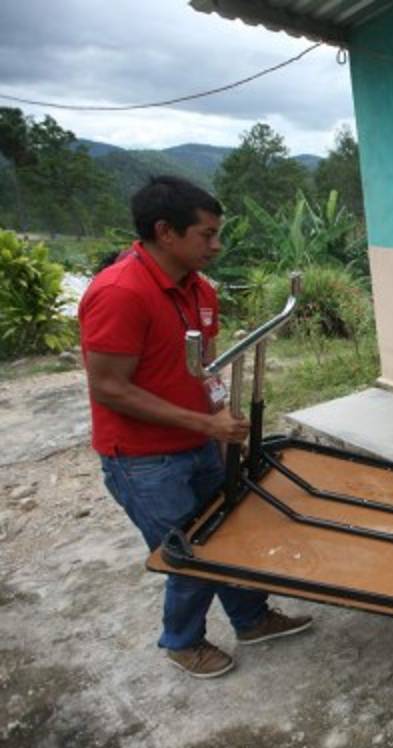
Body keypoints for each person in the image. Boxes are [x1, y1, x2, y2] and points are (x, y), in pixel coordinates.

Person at [79, 175, 312, 679]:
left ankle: (250, 618)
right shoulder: (120, 293)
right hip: (144, 458)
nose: (216, 244)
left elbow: (203, 366)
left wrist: (219, 418)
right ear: (166, 232)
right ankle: (183, 641)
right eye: (206, 234)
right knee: (189, 551)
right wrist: (202, 421)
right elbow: (109, 387)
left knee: (230, 531)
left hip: (200, 441)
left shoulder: (199, 290)